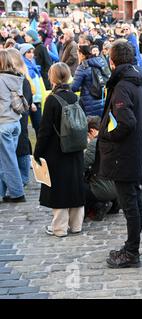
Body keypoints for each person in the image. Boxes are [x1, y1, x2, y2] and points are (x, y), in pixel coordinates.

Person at [97, 41, 142, 268]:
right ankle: (131, 247)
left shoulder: (124, 85)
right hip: (130, 152)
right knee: (134, 201)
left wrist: (108, 135)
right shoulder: (132, 79)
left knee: (130, 204)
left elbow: (127, 122)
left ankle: (131, 251)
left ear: (112, 61)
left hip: (123, 154)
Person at [34, 62, 85, 237]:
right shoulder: (76, 97)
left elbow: (45, 130)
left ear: (53, 77)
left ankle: (59, 228)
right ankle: (76, 225)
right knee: (76, 184)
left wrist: (37, 152)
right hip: (76, 147)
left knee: (59, 188)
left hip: (57, 150)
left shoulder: (52, 100)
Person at [0, 50, 26, 203]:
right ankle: (3, 191)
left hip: (3, 123)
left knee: (8, 160)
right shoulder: (16, 77)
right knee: (5, 159)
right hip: (15, 122)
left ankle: (17, 193)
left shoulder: (2, 79)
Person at [84, 116, 118, 221]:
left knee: (78, 186)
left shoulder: (95, 143)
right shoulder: (113, 138)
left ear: (92, 131)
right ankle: (113, 205)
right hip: (118, 187)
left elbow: (83, 165)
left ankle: (97, 206)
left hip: (103, 189)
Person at [8, 48, 32, 187]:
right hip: (12, 117)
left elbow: (25, 101)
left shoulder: (22, 79)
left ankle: (22, 177)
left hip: (18, 117)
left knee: (21, 145)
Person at [71, 45, 108, 117]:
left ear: (81, 54)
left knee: (91, 126)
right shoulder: (100, 62)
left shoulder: (83, 67)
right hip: (102, 101)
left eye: (78, 54)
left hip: (88, 104)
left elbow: (74, 87)